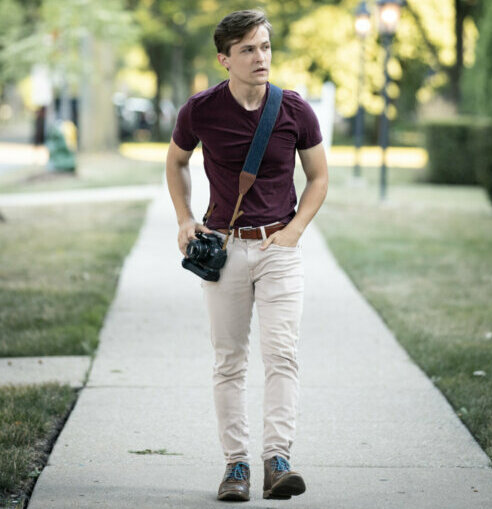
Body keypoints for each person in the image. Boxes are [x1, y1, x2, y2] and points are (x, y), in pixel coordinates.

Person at [165, 9, 328, 502]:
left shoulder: (294, 110)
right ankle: (235, 467)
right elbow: (176, 160)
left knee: (282, 355)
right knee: (229, 360)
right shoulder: (201, 109)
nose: (261, 57)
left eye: (265, 47)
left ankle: (277, 461)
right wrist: (183, 218)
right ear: (225, 59)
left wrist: (296, 230)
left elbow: (319, 177)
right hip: (226, 249)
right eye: (248, 50)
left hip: (279, 246)